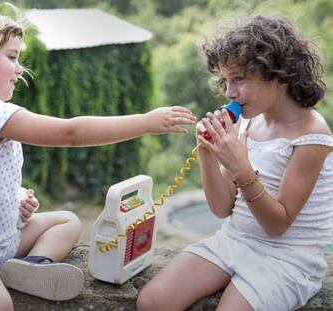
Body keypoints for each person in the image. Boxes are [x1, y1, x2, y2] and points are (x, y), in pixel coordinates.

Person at [0, 9, 196, 311]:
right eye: (11, 57)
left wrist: (14, 196)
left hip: (0, 238)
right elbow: (71, 133)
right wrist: (144, 122)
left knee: (67, 221)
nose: (20, 69)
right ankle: (21, 269)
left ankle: (32, 267)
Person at [137, 14, 333, 311]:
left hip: (288, 258)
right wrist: (206, 152)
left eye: (239, 79)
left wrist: (242, 169)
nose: (229, 92)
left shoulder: (311, 136)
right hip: (235, 240)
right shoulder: (247, 125)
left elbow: (277, 225)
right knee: (152, 301)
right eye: (226, 81)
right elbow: (221, 209)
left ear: (279, 75)